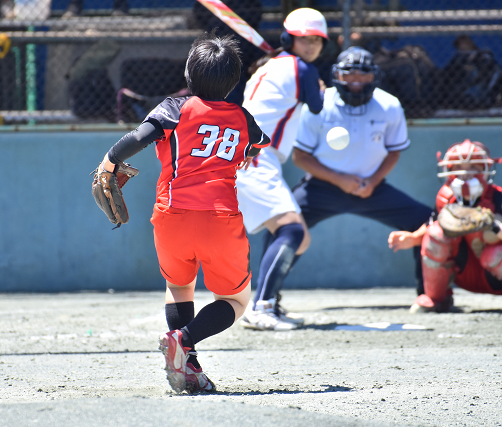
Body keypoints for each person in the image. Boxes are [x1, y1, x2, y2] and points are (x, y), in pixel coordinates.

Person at [96, 33, 270, 393]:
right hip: (220, 218)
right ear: (233, 81)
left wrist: (110, 160)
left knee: (178, 286)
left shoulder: (174, 108)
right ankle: (184, 340)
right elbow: (257, 145)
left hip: (171, 215)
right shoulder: (242, 117)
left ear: (189, 74)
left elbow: (139, 137)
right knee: (236, 300)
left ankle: (186, 359)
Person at [290, 46, 432, 297]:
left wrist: (373, 181)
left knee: (426, 222)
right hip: (321, 187)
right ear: (337, 75)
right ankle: (266, 299)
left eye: (363, 74)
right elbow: (300, 157)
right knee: (283, 224)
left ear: (374, 76)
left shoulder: (389, 105)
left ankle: (430, 294)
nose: (355, 80)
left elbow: (393, 151)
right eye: (349, 74)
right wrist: (339, 180)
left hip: (371, 188)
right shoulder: (318, 103)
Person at [235, 7, 328, 331]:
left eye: (317, 40)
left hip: (252, 155)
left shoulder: (271, 65)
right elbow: (316, 105)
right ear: (289, 39)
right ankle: (261, 308)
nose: (312, 45)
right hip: (255, 156)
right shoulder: (301, 69)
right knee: (292, 231)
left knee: (295, 236)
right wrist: (318, 87)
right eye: (304, 39)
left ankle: (267, 299)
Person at [388, 139, 502, 313]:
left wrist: (492, 227)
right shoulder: (446, 199)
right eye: (458, 168)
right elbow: (432, 225)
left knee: (494, 251)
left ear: (486, 170)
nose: (465, 174)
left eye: (474, 168)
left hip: (494, 270)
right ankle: (436, 299)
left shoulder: (497, 196)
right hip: (463, 271)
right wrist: (413, 238)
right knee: (436, 234)